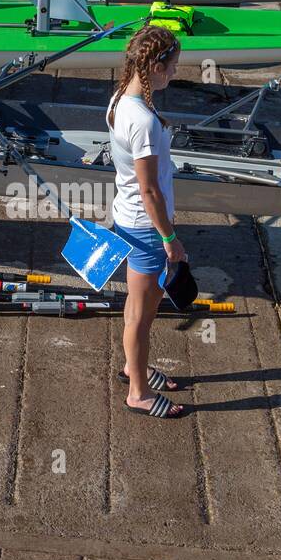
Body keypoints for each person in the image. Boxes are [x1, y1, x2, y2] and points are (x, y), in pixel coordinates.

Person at [108, 25, 189, 420]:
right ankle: (137, 391)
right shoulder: (142, 121)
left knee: (139, 306)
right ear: (155, 66)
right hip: (146, 228)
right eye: (172, 67)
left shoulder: (122, 98)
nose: (174, 73)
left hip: (129, 219)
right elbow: (150, 190)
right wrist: (170, 239)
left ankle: (133, 368)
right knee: (141, 316)